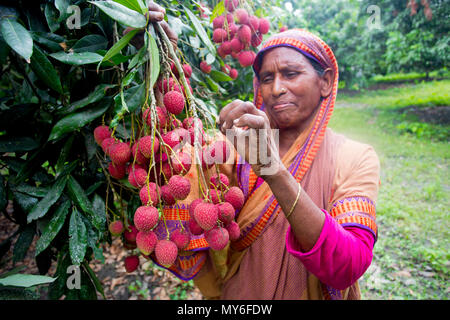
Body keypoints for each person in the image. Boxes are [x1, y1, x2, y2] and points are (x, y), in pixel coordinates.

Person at [143, 4, 380, 300]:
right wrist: (163, 65)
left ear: (326, 81)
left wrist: (274, 172)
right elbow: (178, 155)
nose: (276, 89)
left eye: (291, 74)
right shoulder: (239, 148)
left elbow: (348, 264)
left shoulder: (355, 158)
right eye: (266, 79)